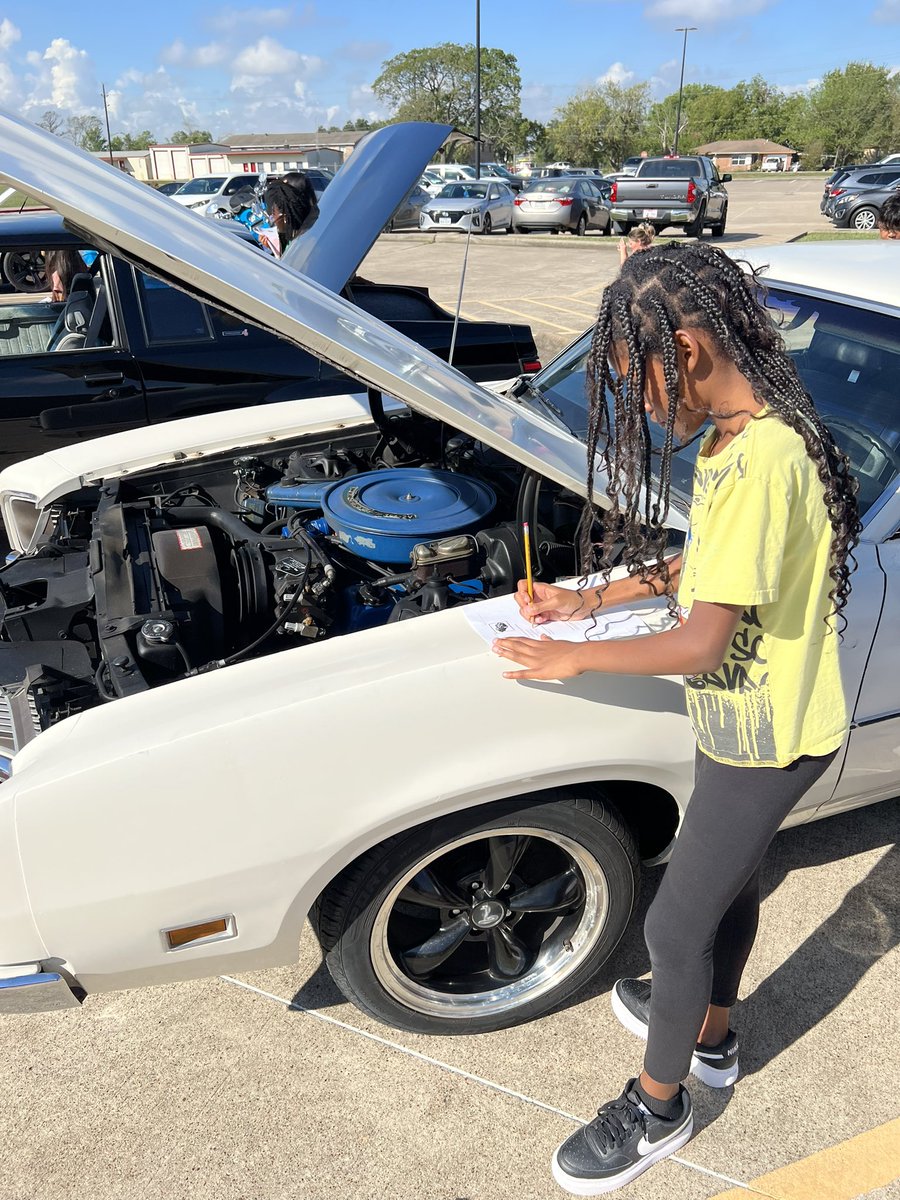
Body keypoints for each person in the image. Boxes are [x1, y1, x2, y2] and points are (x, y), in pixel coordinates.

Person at [491, 242, 860, 1196]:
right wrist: (592, 599)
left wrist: (577, 655)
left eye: (642, 381)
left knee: (672, 927)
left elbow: (701, 640)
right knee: (725, 894)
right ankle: (715, 1038)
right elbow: (712, 574)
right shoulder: (734, 436)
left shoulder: (767, 456)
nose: (647, 407)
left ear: (688, 350)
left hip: (772, 734)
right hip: (741, 721)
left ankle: (659, 1107)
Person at [259, 172, 319, 257]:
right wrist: (274, 247)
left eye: (274, 211)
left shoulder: (306, 244)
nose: (272, 218)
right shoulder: (312, 225)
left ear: (286, 215)